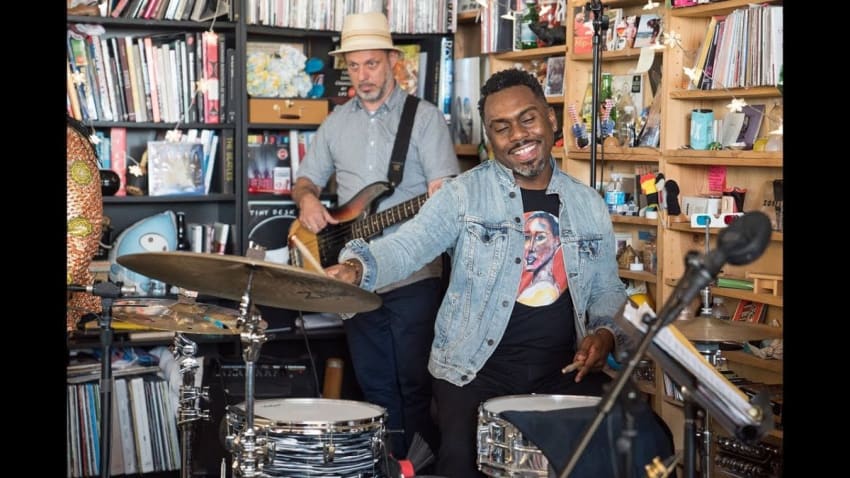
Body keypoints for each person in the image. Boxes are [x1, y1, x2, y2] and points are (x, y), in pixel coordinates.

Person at [327, 68, 632, 477]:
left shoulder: (588, 204)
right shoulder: (463, 194)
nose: (518, 136)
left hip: (562, 372)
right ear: (490, 139)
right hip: (473, 371)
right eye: (502, 128)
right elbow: (409, 244)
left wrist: (605, 333)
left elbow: (608, 291)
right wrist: (358, 267)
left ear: (551, 119)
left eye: (528, 119)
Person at [291, 11, 460, 460]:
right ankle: (385, 465)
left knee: (414, 382)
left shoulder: (423, 119)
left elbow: (445, 197)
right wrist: (308, 200)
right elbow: (306, 179)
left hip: (413, 275)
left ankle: (420, 465)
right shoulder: (335, 123)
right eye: (355, 65)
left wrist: (442, 198)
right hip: (354, 277)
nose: (363, 75)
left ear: (392, 61)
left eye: (372, 64)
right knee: (374, 383)